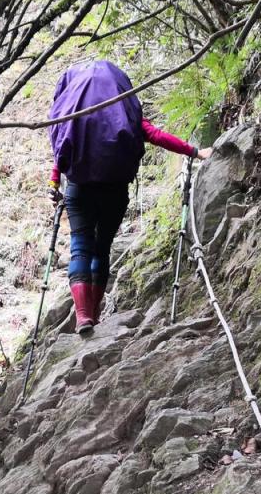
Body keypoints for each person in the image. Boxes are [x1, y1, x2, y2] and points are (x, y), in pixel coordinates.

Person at [47, 60, 213, 334]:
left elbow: (60, 151)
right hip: (114, 189)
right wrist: (194, 152)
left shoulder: (71, 116)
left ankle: (83, 317)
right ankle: (95, 314)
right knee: (101, 248)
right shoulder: (123, 114)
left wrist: (54, 182)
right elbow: (156, 135)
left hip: (79, 189)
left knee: (80, 245)